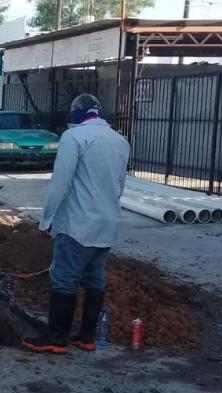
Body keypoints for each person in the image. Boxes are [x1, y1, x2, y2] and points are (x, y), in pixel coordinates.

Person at [23, 94, 130, 354]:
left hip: (77, 224)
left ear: (75, 114)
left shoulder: (73, 138)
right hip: (107, 223)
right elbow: (119, 185)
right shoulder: (120, 141)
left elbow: (61, 183)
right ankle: (87, 337)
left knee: (64, 279)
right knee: (94, 279)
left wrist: (46, 219)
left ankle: (56, 338)